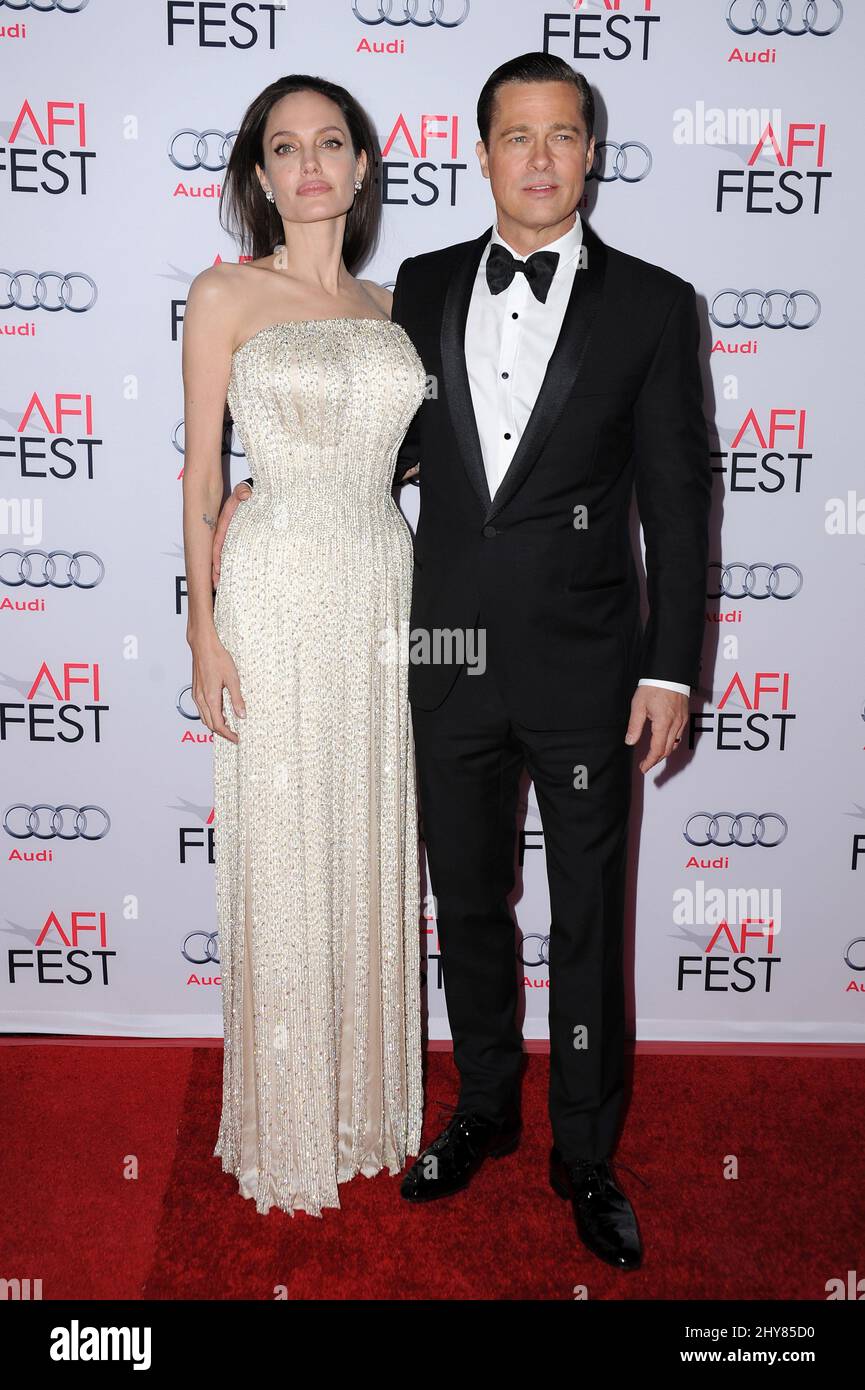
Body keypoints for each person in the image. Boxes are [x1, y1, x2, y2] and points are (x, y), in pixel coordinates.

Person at [216, 53, 711, 1267]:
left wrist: (671, 667)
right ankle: (484, 1105)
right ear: (479, 151)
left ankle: (584, 1153)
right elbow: (377, 443)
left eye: (561, 136)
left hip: (589, 665)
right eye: (514, 136)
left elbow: (680, 498)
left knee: (589, 917)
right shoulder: (419, 289)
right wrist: (255, 500)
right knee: (467, 902)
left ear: (590, 153)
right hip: (434, 650)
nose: (538, 158)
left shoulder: (655, 303)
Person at [182, 74, 426, 1218]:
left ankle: (359, 1103)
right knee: (284, 842)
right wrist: (201, 631)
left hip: (381, 582)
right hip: (272, 593)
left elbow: (412, 456)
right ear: (261, 174)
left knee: (365, 825)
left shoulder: (394, 312)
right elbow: (198, 479)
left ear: (363, 167)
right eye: (285, 147)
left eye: (331, 142)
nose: (310, 164)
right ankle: (287, 1118)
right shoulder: (226, 293)